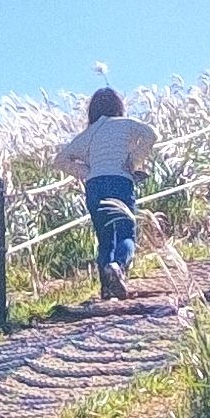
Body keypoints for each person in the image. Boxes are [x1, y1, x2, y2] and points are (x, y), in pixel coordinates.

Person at [62, 85, 157, 299]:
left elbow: (59, 160)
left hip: (95, 185)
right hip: (120, 181)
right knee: (126, 232)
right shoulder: (125, 124)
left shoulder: (89, 133)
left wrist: (86, 171)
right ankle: (119, 267)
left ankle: (106, 289)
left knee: (105, 238)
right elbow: (152, 134)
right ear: (119, 106)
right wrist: (133, 161)